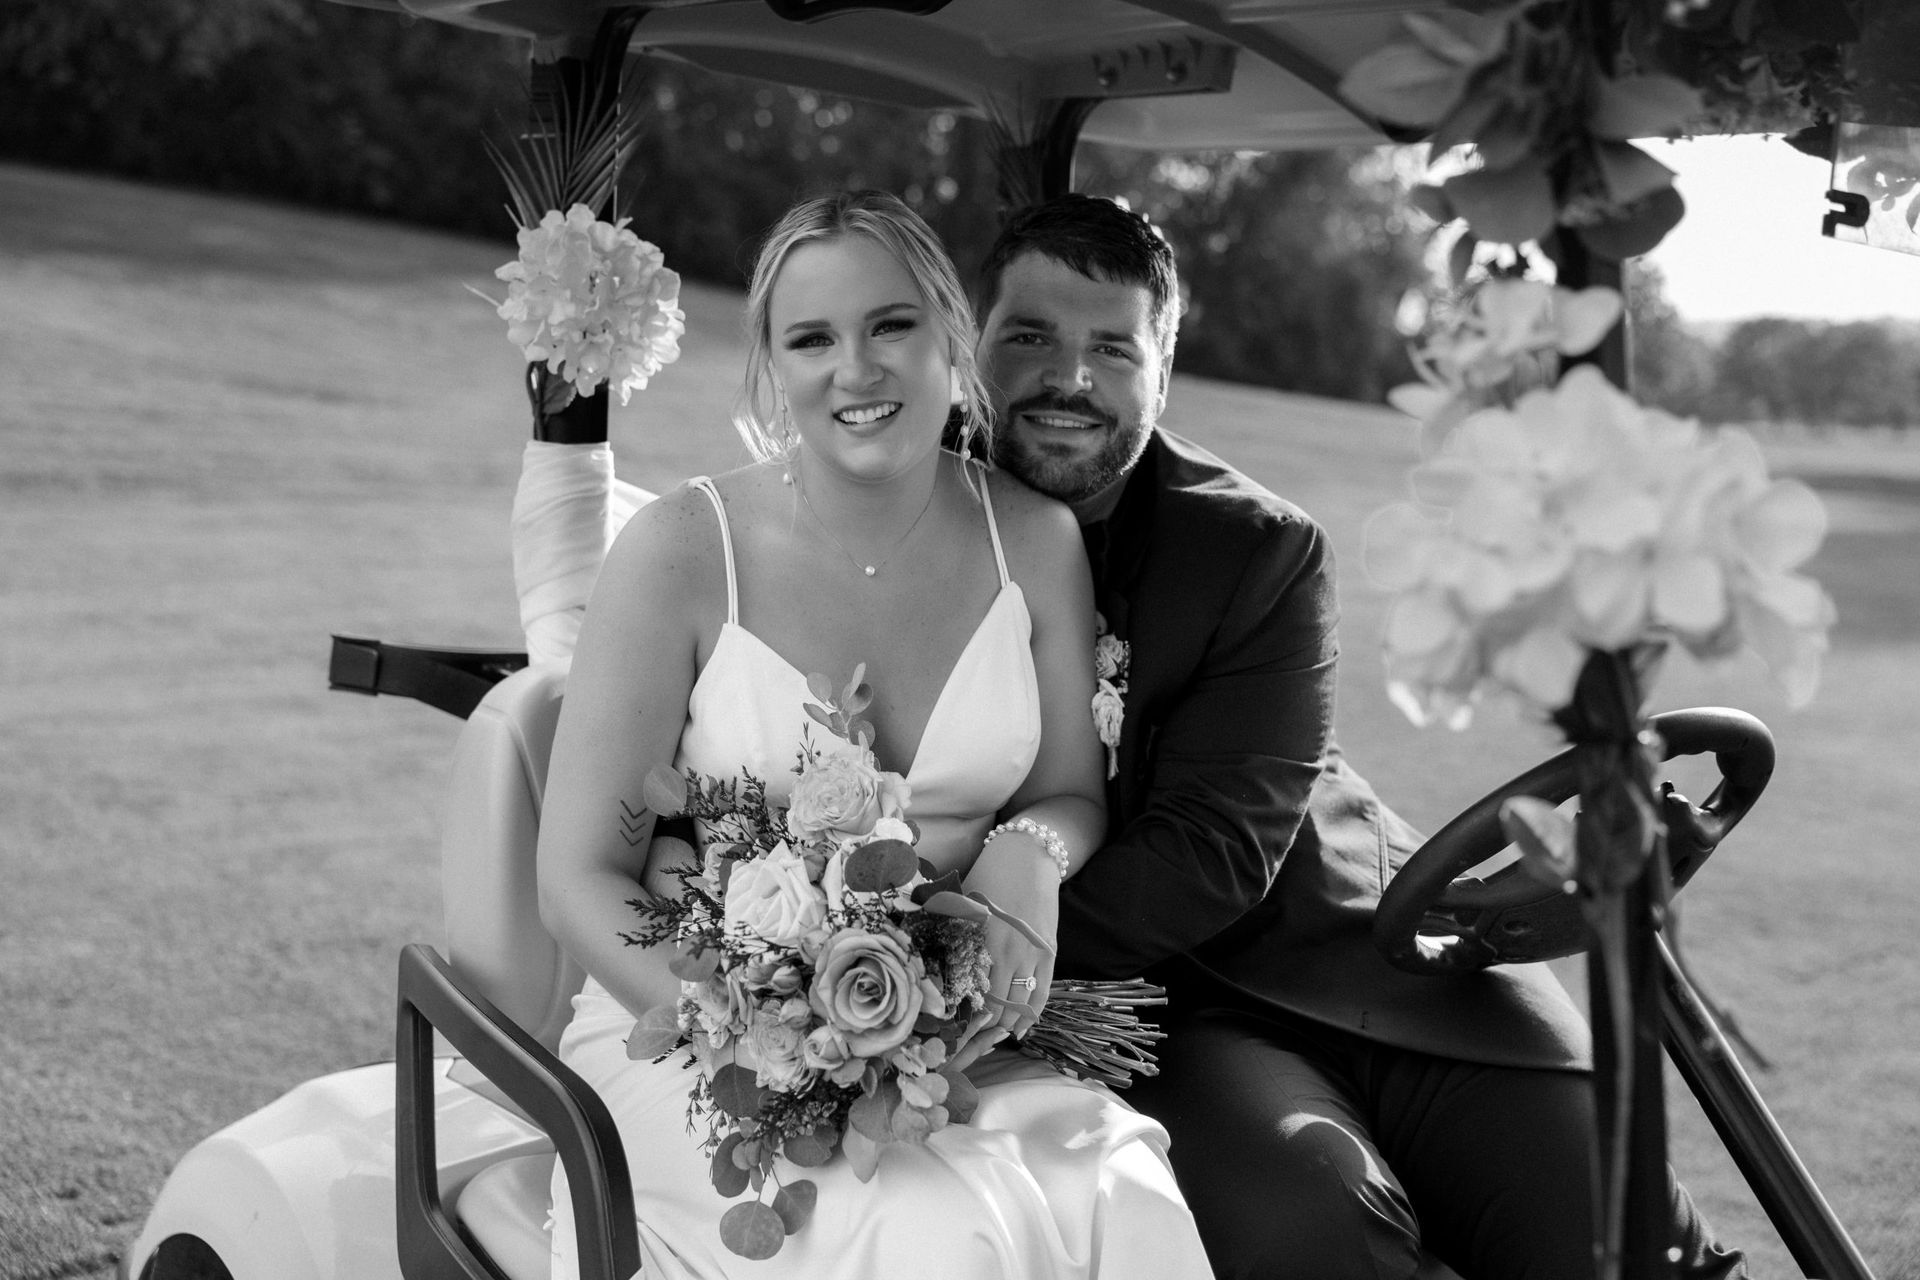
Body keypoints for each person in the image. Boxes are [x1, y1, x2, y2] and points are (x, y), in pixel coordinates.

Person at [973, 194, 1749, 1280]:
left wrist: (973, 949)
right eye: (1030, 337)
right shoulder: (917, 524)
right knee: (1313, 1223)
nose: (1071, 379)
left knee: (1612, 1209)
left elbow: (1218, 849)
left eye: (1114, 346)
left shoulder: (1255, 547)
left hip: (1377, 944)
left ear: (1164, 367)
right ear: (973, 343)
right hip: (1173, 1009)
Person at [534, 190, 1214, 1280]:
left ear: (953, 334)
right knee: (931, 1237)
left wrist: (1028, 860)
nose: (856, 369)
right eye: (813, 338)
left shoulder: (1034, 542)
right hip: (692, 1033)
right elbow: (578, 872)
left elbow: (1069, 792)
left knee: (1122, 1189)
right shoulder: (676, 552)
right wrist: (760, 1031)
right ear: (774, 365)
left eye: (890, 324)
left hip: (953, 1038)